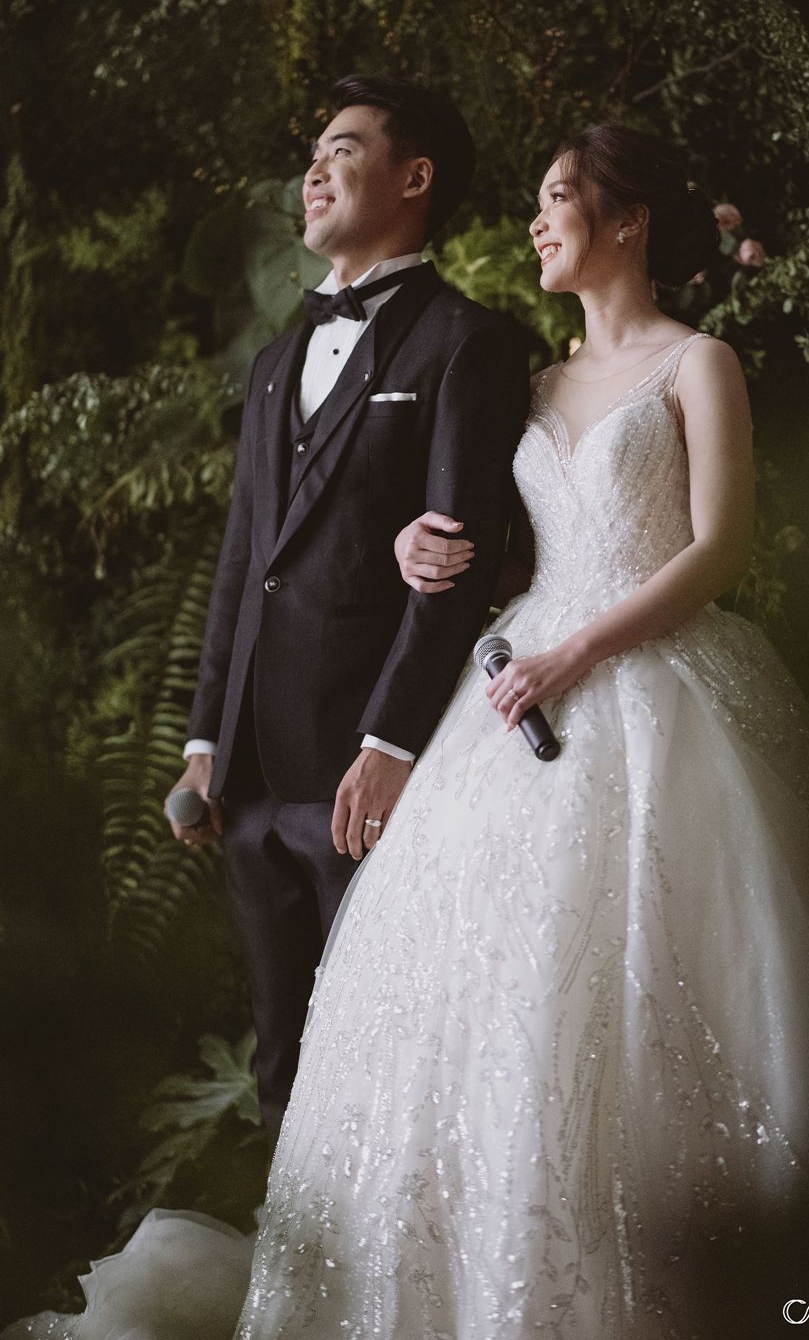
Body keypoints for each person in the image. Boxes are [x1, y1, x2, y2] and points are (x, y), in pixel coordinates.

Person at [3, 123, 809, 1340]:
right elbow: (495, 554)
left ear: (629, 218)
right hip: (517, 683)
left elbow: (717, 550)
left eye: (559, 198)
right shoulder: (534, 386)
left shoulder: (698, 363)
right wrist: (414, 550)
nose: (538, 220)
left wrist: (578, 650)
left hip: (647, 682)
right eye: (537, 200)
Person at [164, 73, 530, 1140]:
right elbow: (245, 559)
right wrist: (204, 742)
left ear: (414, 179)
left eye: (343, 148)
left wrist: (390, 743)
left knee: (377, 1053)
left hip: (365, 779)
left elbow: (459, 565)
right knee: (281, 1058)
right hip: (249, 782)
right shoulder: (275, 362)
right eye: (313, 154)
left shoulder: (466, 342)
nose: (314, 170)